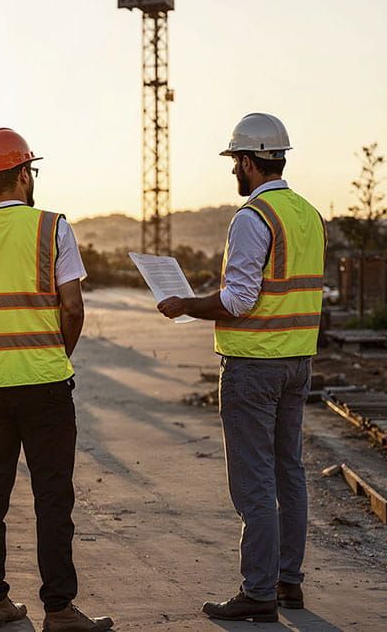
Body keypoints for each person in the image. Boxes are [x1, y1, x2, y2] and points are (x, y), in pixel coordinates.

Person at [157, 113, 326, 623]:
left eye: (235, 163)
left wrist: (186, 305)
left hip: (255, 368)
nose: (234, 172)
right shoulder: (308, 214)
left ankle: (259, 593)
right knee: (289, 473)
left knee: (255, 482)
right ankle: (287, 583)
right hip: (298, 363)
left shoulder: (253, 218)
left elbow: (240, 299)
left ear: (249, 162)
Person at [0, 128, 113, 632]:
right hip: (44, 386)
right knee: (53, 497)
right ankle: (59, 609)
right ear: (22, 174)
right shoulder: (53, 228)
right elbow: (74, 308)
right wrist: (53, 356)